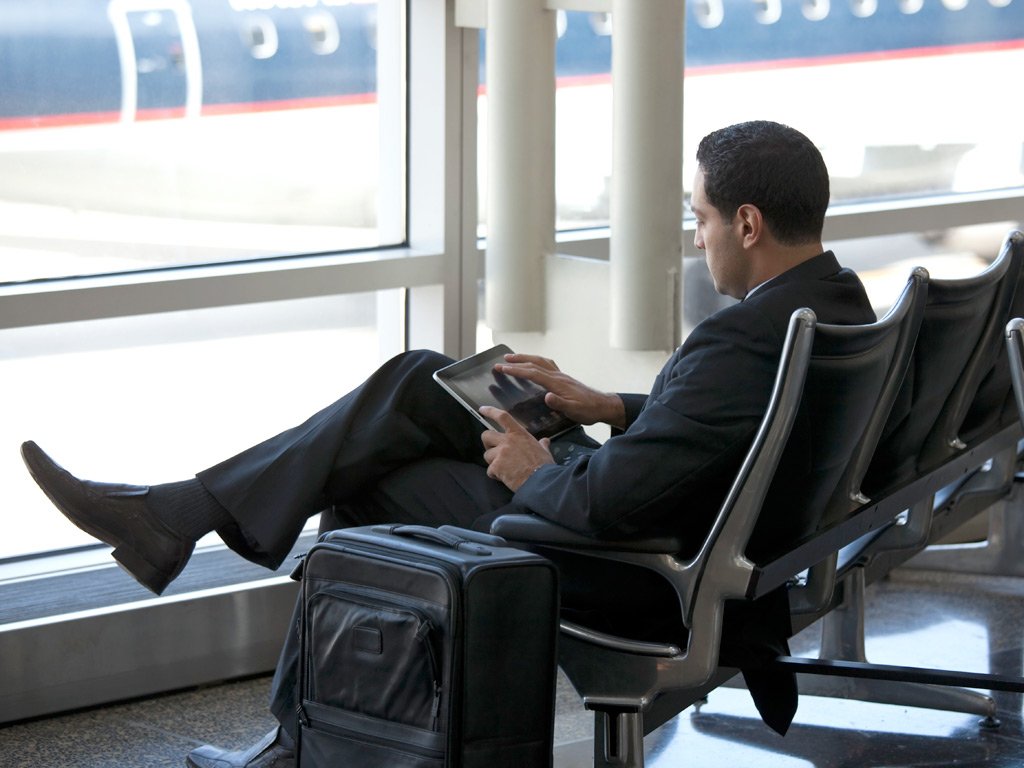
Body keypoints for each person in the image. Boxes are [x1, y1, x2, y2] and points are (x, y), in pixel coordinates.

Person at [21, 120, 875, 767]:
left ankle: (282, 715)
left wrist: (537, 469)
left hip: (642, 568)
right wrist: (603, 402)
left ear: (750, 222)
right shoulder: (836, 307)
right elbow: (728, 427)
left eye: (702, 219)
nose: (700, 237)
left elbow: (603, 502)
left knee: (371, 489)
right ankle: (183, 524)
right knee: (422, 379)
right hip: (693, 535)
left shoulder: (739, 341)